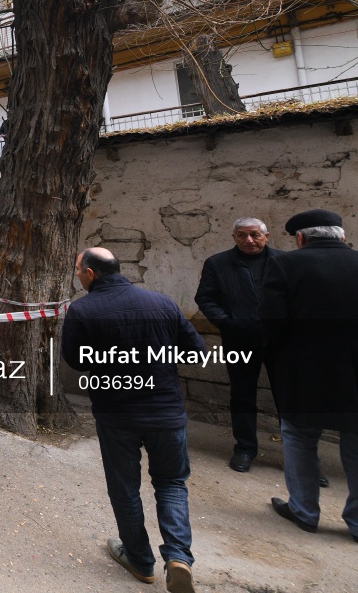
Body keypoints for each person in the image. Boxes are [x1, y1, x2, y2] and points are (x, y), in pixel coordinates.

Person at [62, 247, 204, 593]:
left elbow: (76, 361)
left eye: (79, 270)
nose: (78, 276)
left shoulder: (82, 310)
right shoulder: (163, 303)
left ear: (91, 273)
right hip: (166, 412)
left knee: (124, 486)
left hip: (117, 414)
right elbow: (196, 351)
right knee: (171, 483)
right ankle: (178, 557)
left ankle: (140, 561)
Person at [262, 209, 358, 542]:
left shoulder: (285, 265)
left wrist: (277, 358)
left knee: (300, 439)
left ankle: (304, 511)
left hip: (305, 372)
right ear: (342, 236)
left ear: (300, 238)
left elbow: (272, 323)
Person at [194, 217, 284, 473]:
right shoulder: (218, 263)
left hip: (280, 341)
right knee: (243, 395)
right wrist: (228, 323)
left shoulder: (284, 261)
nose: (249, 240)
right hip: (239, 340)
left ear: (266, 236)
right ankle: (245, 448)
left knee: (288, 397)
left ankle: (300, 454)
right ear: (233, 237)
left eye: (255, 234)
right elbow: (205, 297)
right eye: (242, 235)